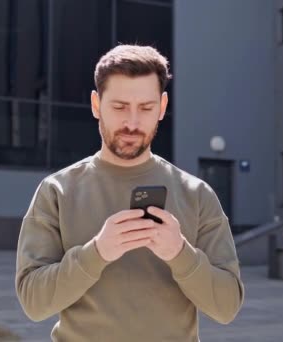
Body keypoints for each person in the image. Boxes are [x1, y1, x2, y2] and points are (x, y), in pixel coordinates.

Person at [15, 44, 244, 341]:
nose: (132, 123)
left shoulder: (196, 194)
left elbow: (227, 308)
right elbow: (34, 304)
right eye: (120, 107)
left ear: (162, 107)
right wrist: (96, 253)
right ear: (96, 105)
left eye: (146, 108)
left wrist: (180, 253)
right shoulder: (57, 191)